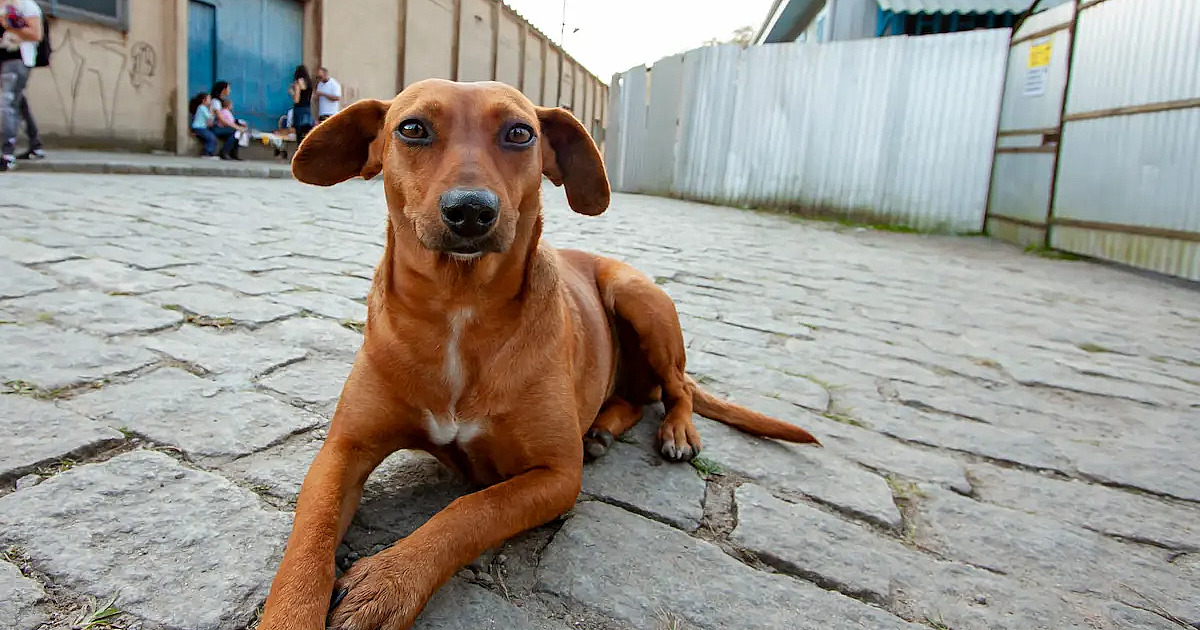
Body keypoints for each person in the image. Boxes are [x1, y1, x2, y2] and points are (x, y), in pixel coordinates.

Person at [0, 0, 43, 171]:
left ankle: (7, 154)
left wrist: (7, 24)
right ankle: (36, 145)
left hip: (16, 60)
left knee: (8, 104)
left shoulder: (25, 5)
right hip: (3, 59)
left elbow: (36, 34)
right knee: (19, 103)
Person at [189, 92, 236, 159]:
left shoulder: (204, 108)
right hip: (198, 128)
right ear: (203, 100)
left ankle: (210, 153)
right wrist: (211, 111)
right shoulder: (201, 107)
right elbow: (209, 117)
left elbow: (209, 122)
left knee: (212, 137)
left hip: (203, 128)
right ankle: (206, 153)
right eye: (209, 99)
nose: (210, 101)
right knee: (211, 138)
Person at [288, 65, 314, 144]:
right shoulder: (309, 83)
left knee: (299, 136)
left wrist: (292, 92)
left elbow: (297, 99)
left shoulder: (298, 82)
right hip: (308, 109)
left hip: (299, 110)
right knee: (307, 134)